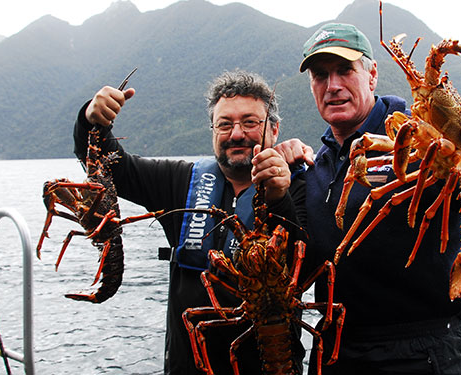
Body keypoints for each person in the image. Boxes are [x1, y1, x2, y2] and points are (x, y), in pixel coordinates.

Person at [281, 23, 461, 374]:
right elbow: (300, 266)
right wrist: (281, 182)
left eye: (345, 70)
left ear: (372, 75)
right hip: (338, 356)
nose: (333, 86)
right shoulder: (315, 169)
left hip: (425, 355)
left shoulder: (427, 142)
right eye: (320, 76)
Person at [73, 70, 305, 375]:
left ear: (274, 130)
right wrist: (92, 121)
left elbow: (307, 258)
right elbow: (111, 167)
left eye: (250, 122)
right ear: (212, 131)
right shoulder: (180, 181)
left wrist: (279, 198)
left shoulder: (300, 185)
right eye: (224, 124)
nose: (237, 134)